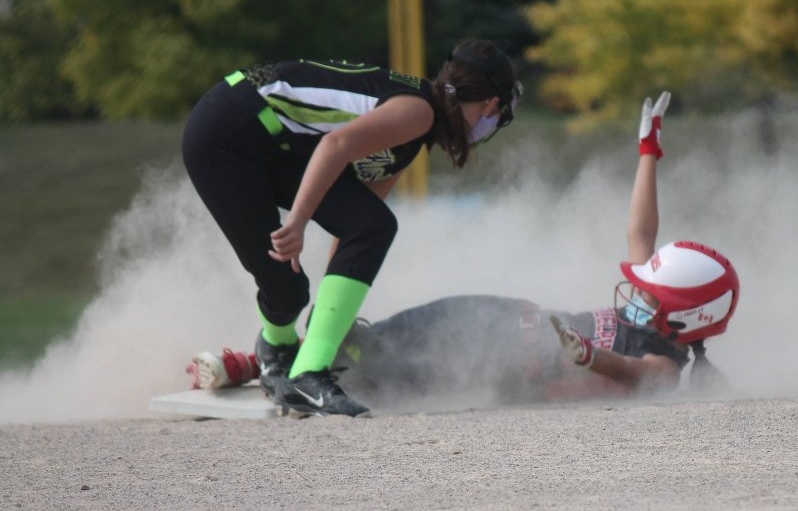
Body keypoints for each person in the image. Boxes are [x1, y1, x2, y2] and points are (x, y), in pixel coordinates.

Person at [187, 91, 740, 410]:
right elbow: (641, 231)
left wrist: (587, 356)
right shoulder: (656, 306)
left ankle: (246, 366)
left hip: (500, 368)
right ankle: (272, 359)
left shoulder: (664, 368)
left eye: (650, 298)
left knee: (371, 365)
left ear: (686, 322)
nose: (636, 294)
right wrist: (648, 150)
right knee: (366, 336)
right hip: (495, 315)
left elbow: (632, 373)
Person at [182, 39, 522, 417]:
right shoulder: (419, 112)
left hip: (266, 141)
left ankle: (286, 357)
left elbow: (356, 227)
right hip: (224, 134)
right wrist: (297, 222)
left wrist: (326, 326)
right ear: (490, 104)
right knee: (286, 284)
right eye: (496, 115)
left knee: (351, 240)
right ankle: (300, 368)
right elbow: (335, 145)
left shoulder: (414, 134)